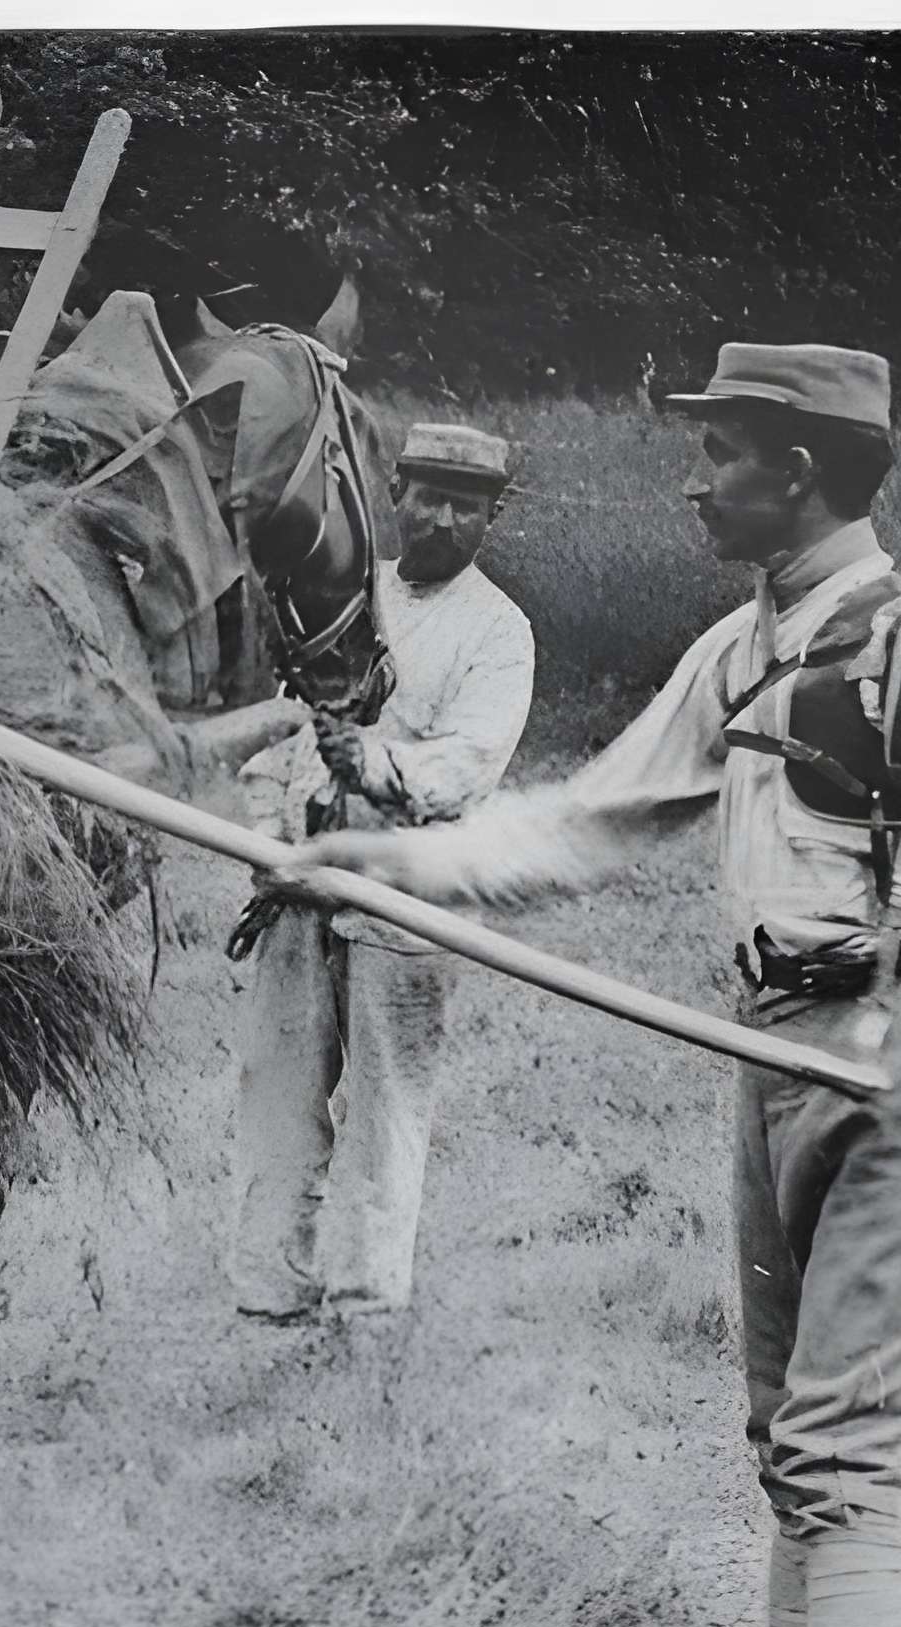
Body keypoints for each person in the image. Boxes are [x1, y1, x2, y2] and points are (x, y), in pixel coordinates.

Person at [260, 345, 901, 1627]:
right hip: (772, 1044)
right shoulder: (740, 649)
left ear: (796, 473)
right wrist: (378, 866)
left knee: (840, 1455)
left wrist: (867, 761)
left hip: (893, 1054)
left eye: (720, 453)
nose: (692, 479)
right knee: (786, 1457)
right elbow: (584, 827)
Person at [226, 422, 536, 1325]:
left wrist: (369, 764)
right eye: (428, 495)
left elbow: (465, 769)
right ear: (393, 493)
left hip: (404, 904)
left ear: (492, 518)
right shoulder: (339, 601)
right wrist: (270, 842)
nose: (442, 518)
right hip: (298, 893)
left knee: (384, 1118)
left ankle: (363, 1317)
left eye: (466, 505)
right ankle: (270, 1303)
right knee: (276, 1101)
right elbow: (272, 746)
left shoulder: (497, 631)